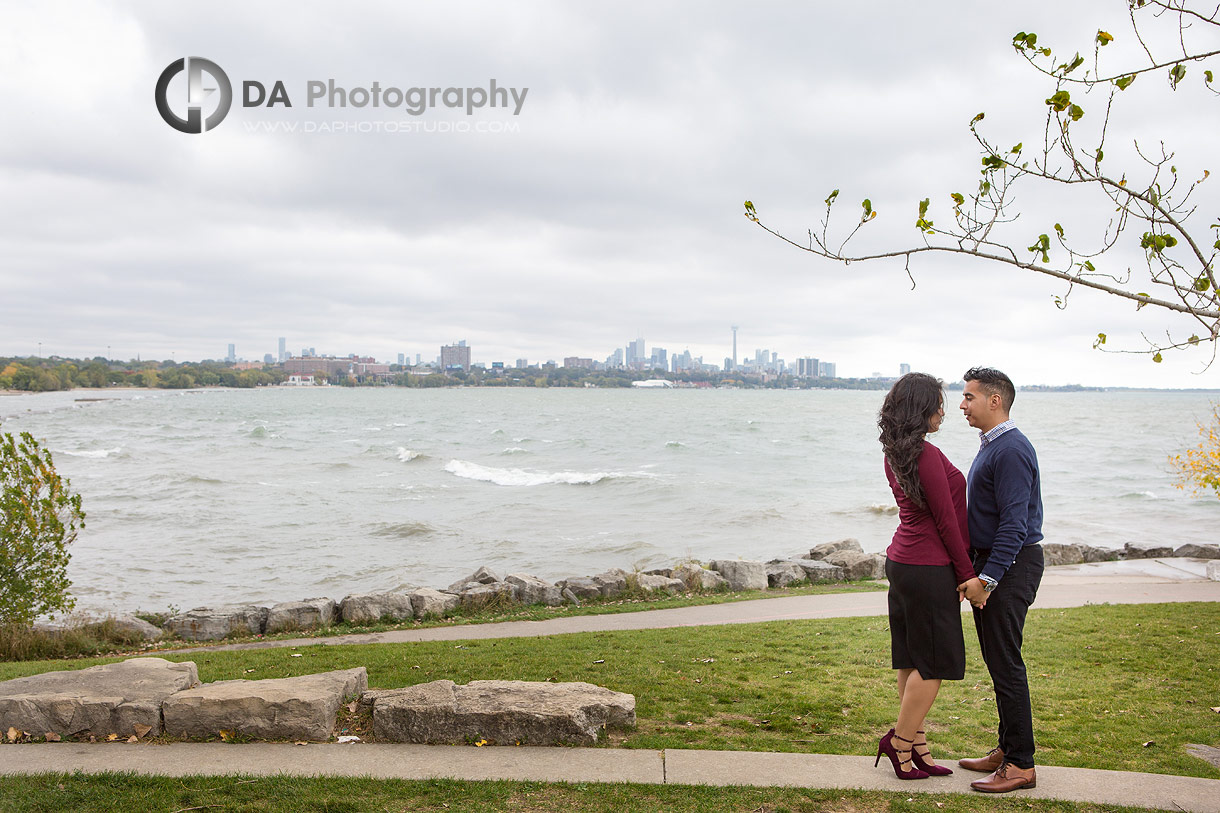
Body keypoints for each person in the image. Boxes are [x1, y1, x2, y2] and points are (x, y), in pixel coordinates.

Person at [874, 373, 975, 780]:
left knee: (912, 657)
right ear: (921, 408)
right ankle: (898, 743)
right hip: (929, 567)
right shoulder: (926, 456)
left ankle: (917, 745)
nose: (943, 411)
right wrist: (968, 575)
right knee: (933, 663)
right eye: (937, 403)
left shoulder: (894, 453)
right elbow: (947, 523)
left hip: (902, 562)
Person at [956, 367, 1045, 793]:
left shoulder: (1009, 449)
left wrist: (987, 579)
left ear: (995, 400)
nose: (962, 405)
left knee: (1007, 665)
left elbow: (1015, 524)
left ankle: (1021, 765)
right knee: (998, 662)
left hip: (1010, 566)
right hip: (998, 564)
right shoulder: (994, 446)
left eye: (969, 397)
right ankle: (1008, 749)